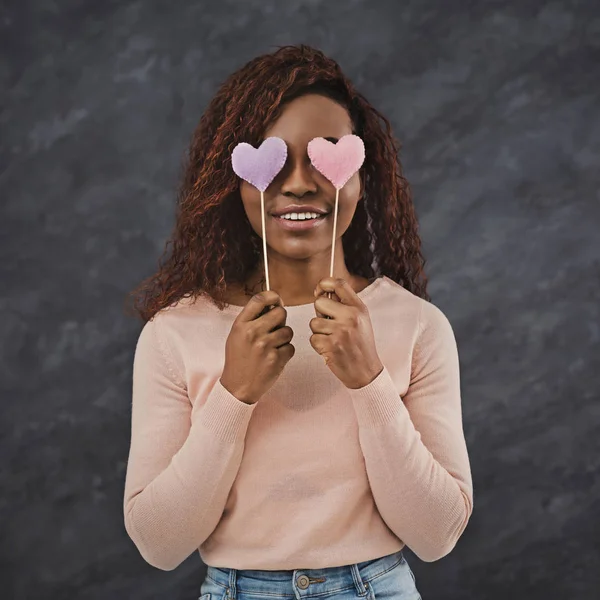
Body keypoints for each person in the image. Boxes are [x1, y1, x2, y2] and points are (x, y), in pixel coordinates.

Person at [123, 44, 473, 600]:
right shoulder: (174, 333)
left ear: (363, 175)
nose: (300, 182)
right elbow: (159, 545)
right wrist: (233, 395)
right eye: (272, 159)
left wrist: (370, 383)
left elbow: (436, 536)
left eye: (326, 156)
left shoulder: (418, 326)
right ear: (232, 180)